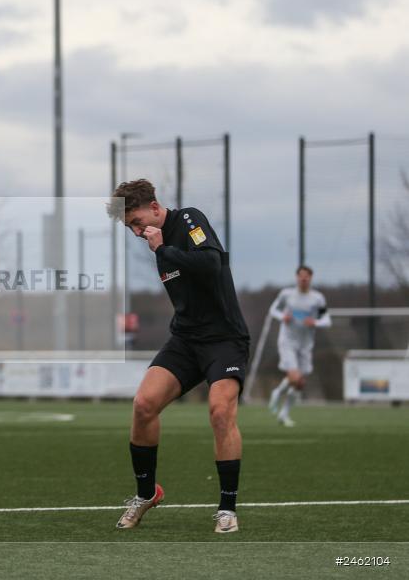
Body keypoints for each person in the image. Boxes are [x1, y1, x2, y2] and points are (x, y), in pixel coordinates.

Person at [108, 179, 250, 534]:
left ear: (155, 207)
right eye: (131, 228)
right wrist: (160, 249)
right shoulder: (157, 243)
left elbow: (211, 264)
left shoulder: (189, 221)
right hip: (186, 340)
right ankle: (146, 495)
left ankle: (227, 508)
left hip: (224, 339)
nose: (138, 232)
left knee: (220, 411)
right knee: (143, 405)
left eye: (138, 221)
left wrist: (163, 250)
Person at [267, 265, 331, 427]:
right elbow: (273, 310)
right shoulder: (287, 294)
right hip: (287, 341)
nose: (303, 279)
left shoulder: (318, 298)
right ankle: (278, 397)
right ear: (296, 277)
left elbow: (327, 320)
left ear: (310, 278)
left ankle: (283, 412)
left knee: (300, 384)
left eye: (306, 276)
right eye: (300, 276)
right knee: (295, 377)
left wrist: (315, 322)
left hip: (306, 345)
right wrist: (283, 317)